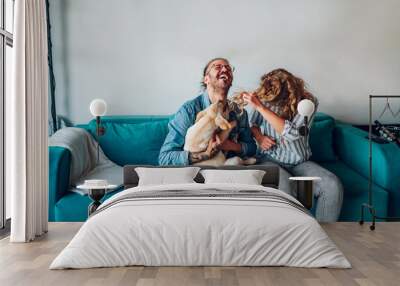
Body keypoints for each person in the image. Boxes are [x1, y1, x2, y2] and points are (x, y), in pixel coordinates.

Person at [242, 68, 343, 222]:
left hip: (300, 162)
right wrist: (260, 137)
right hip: (269, 160)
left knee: (332, 185)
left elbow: (292, 134)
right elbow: (252, 123)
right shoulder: (265, 97)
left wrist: (261, 108)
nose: (272, 99)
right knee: (285, 188)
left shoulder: (308, 103)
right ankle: (294, 238)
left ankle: (324, 238)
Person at [159, 58, 256, 165]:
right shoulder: (189, 111)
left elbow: (252, 148)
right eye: (218, 67)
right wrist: (205, 155)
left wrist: (229, 145)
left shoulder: (239, 112)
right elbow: (165, 158)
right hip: (197, 173)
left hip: (229, 172)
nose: (225, 69)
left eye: (228, 68)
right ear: (206, 79)